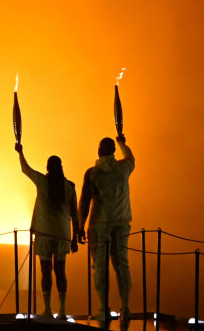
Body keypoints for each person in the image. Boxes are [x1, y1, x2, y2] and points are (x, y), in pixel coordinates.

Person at [16, 143, 80, 318]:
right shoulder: (69, 187)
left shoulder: (42, 182)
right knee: (60, 270)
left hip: (44, 233)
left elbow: (25, 169)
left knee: (46, 271)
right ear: (61, 168)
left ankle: (48, 309)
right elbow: (75, 214)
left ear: (47, 168)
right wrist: (75, 238)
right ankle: (63, 310)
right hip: (62, 235)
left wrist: (21, 152)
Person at [79, 134, 136, 331]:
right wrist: (122, 142)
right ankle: (125, 307)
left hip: (100, 225)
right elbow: (130, 157)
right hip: (122, 223)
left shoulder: (93, 173)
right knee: (122, 265)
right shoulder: (123, 169)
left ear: (99, 150)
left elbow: (85, 202)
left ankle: (104, 308)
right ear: (113, 151)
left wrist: (78, 226)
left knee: (100, 268)